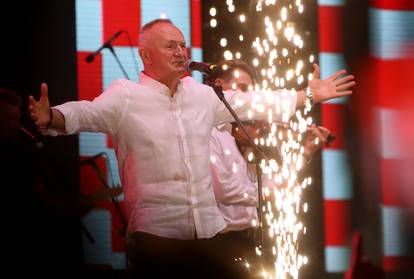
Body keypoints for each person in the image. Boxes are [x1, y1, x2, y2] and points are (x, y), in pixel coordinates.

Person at [28, 19, 355, 277]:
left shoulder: (201, 95)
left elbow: (255, 102)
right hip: (157, 238)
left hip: (209, 236)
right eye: (170, 46)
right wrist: (52, 116)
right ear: (145, 55)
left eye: (183, 45)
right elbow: (87, 112)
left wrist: (306, 96)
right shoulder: (126, 96)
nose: (180, 52)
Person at [208, 60, 334, 277]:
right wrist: (271, 193)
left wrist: (304, 152)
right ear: (219, 86)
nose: (249, 99)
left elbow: (271, 183)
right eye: (243, 89)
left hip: (249, 238)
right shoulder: (211, 133)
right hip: (222, 244)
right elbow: (227, 191)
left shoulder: (238, 135)